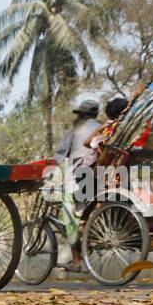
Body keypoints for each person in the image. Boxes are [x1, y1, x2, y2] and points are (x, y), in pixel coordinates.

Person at [54, 97, 101, 270]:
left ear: (81, 114)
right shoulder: (103, 128)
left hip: (75, 179)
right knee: (85, 213)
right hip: (98, 178)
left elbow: (60, 156)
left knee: (69, 219)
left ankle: (77, 261)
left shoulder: (74, 129)